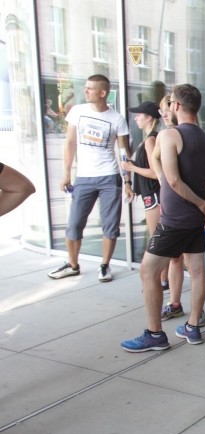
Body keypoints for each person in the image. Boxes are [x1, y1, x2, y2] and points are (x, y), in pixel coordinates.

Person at [120, 84, 205, 352]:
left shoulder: (170, 136)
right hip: (196, 222)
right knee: (198, 271)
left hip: (175, 220)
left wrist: (203, 204)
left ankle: (155, 334)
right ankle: (192, 327)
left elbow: (173, 181)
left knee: (148, 271)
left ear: (176, 106)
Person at [48, 74, 131, 283]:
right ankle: (73, 265)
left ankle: (104, 265)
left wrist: (128, 181)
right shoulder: (77, 112)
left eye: (90, 89)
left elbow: (124, 152)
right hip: (84, 177)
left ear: (102, 93)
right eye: (85, 87)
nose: (85, 91)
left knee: (110, 225)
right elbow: (69, 143)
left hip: (109, 177)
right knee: (74, 224)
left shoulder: (117, 119)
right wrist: (66, 173)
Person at [120, 101, 161, 245]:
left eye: (138, 115)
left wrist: (132, 168)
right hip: (149, 194)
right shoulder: (148, 139)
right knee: (156, 241)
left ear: (149, 118)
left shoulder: (151, 140)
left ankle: (161, 268)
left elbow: (156, 173)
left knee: (156, 242)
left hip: (154, 194)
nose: (136, 119)